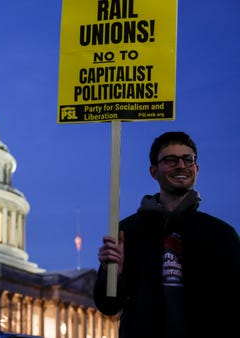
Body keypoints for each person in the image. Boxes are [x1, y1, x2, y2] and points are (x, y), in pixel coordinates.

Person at [94, 131, 240, 338]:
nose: (181, 165)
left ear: (196, 169)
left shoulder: (221, 235)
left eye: (188, 159)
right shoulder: (128, 231)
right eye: (171, 160)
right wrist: (114, 273)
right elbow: (108, 305)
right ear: (154, 171)